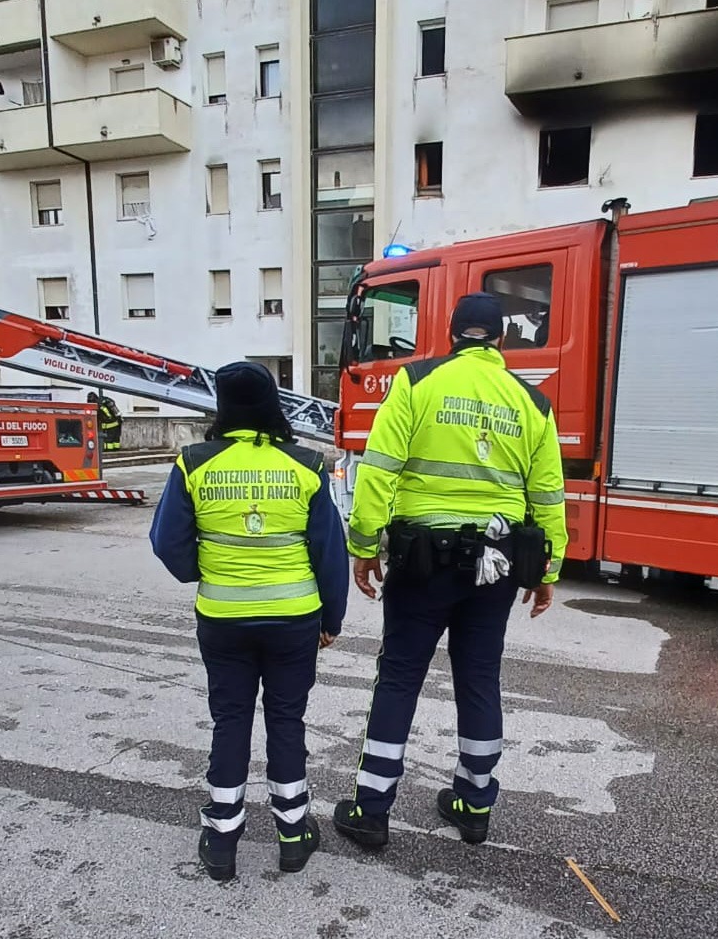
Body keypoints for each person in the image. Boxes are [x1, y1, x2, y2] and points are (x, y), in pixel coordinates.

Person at [333, 292, 567, 848]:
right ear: (502, 342)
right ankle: (474, 803)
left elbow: (379, 472)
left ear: (452, 336)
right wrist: (548, 569)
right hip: (497, 563)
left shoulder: (416, 383)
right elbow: (549, 497)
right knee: (480, 678)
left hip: (422, 562)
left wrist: (364, 545)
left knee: (399, 676)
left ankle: (371, 810)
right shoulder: (534, 404)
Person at [149, 361, 348, 881]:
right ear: (271, 404)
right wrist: (333, 616)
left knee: (230, 718)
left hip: (223, 619)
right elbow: (330, 551)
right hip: (294, 619)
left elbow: (166, 542)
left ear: (224, 407)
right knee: (286, 719)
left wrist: (204, 570)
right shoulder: (307, 464)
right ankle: (293, 833)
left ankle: (221, 839)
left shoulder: (194, 462)